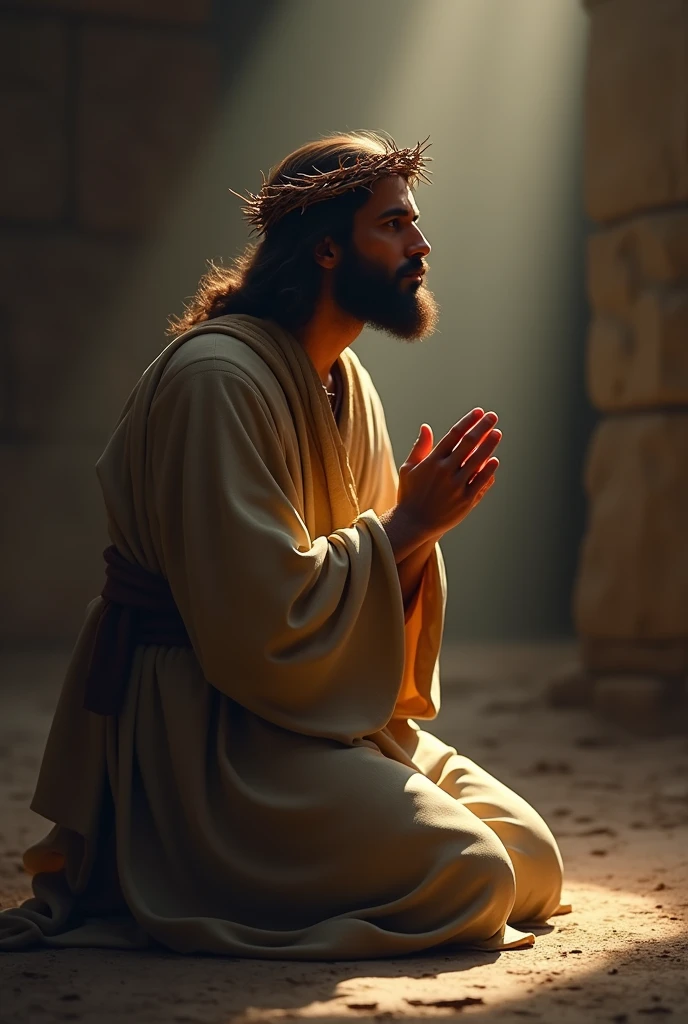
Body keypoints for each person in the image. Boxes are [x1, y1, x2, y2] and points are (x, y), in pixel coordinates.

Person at [0, 130, 570, 958]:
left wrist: (418, 531)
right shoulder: (217, 382)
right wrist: (409, 526)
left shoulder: (346, 382)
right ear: (330, 249)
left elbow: (352, 582)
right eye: (396, 225)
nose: (422, 243)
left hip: (313, 711)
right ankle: (148, 867)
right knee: (475, 877)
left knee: (534, 864)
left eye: (415, 222)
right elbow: (255, 624)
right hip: (212, 731)